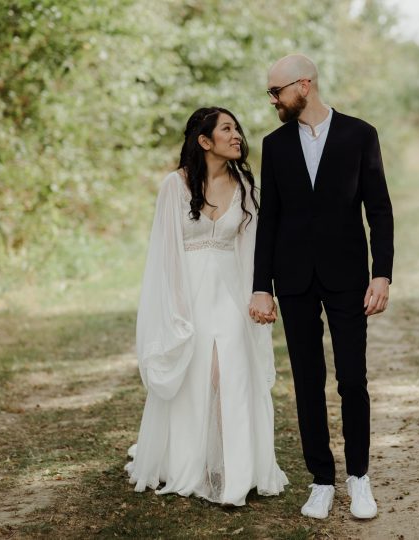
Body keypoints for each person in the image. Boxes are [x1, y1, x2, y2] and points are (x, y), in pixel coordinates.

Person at [249, 54, 394, 520]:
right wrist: (260, 286)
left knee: (352, 379)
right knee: (307, 382)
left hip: (348, 276)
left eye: (277, 92)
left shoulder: (359, 134)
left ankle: (359, 478)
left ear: (303, 86)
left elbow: (380, 209)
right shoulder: (274, 145)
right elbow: (268, 219)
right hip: (293, 280)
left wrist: (382, 272)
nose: (272, 100)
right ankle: (321, 480)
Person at [126, 107, 288, 506]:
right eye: (226, 129)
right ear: (204, 141)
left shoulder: (246, 186)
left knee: (229, 373)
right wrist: (176, 309)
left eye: (237, 129)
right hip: (188, 295)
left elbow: (252, 250)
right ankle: (191, 462)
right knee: (195, 373)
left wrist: (260, 293)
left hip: (231, 294)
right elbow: (164, 254)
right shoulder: (175, 186)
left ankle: (235, 467)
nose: (237, 136)